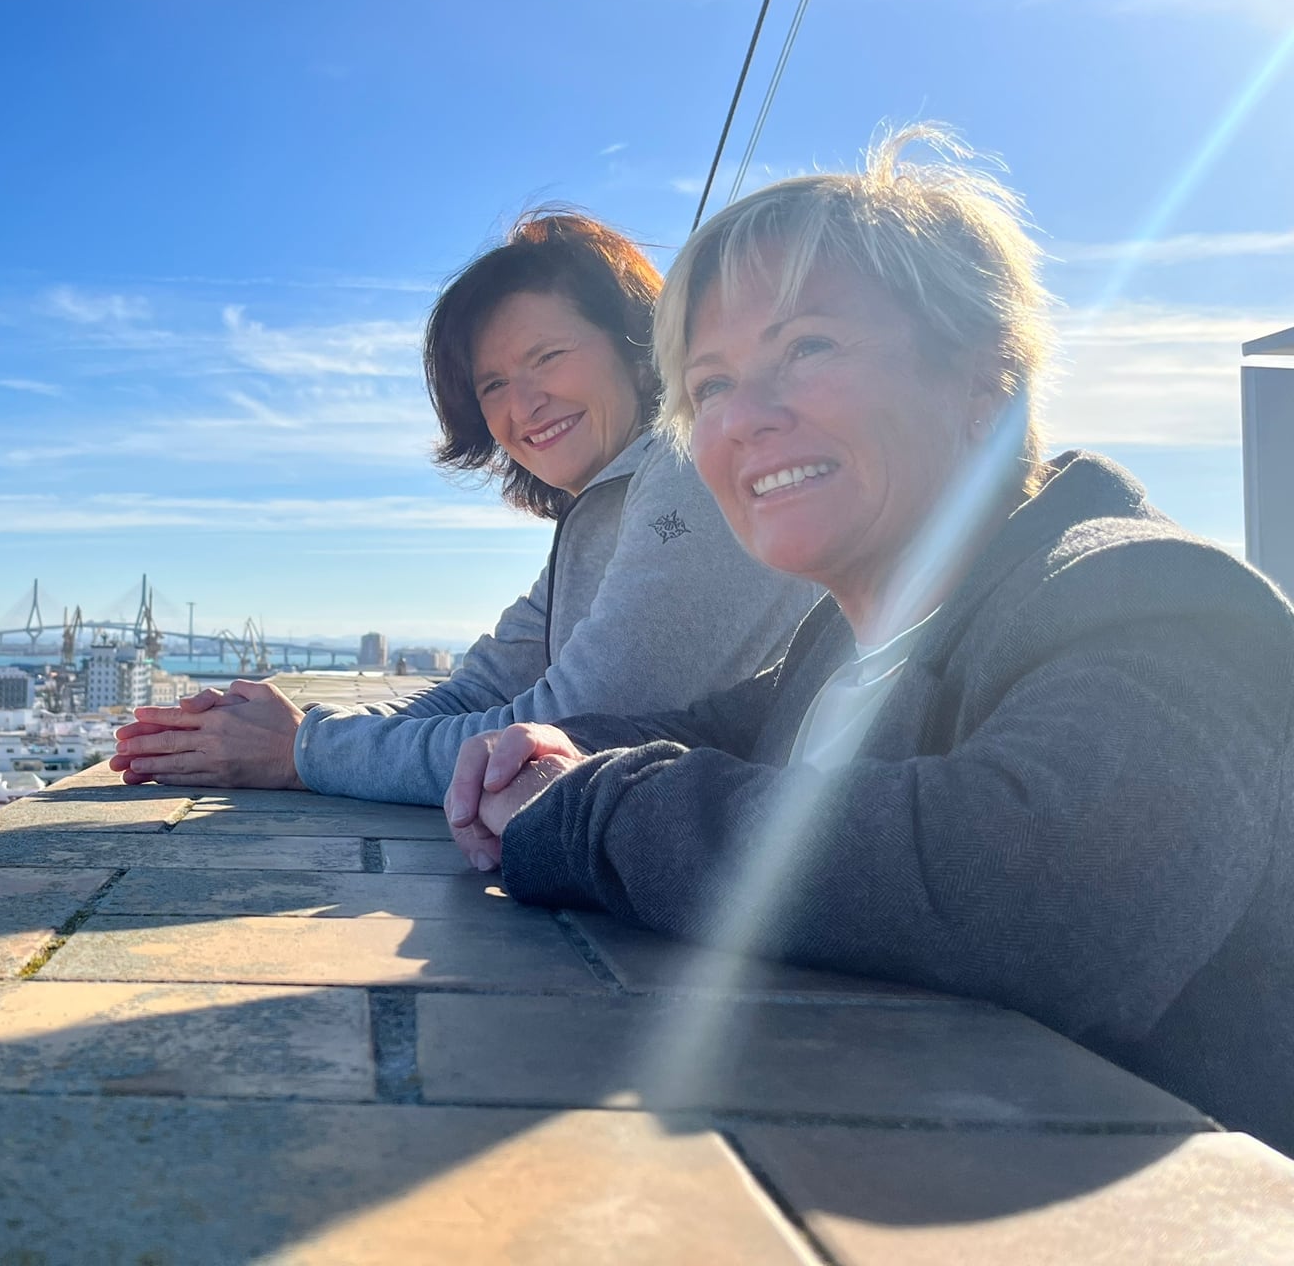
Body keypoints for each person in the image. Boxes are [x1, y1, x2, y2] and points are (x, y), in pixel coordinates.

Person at [449, 126, 1294, 1151]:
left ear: (983, 379)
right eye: (707, 387)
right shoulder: (837, 647)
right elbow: (711, 728)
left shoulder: (1161, 599)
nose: (743, 419)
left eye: (805, 348)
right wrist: (542, 753)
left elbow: (1033, 893)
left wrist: (588, 808)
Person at [111, 208, 819, 801]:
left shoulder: (689, 467)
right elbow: (476, 690)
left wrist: (302, 750)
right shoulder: (604, 510)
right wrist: (292, 731)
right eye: (492, 386)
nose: (523, 404)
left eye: (546, 357)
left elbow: (559, 729)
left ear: (638, 347)